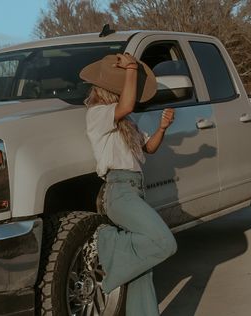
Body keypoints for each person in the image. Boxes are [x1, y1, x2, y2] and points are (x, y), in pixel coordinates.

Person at [80, 53, 178, 316]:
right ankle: (106, 241)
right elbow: (127, 105)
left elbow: (149, 148)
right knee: (164, 243)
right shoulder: (97, 114)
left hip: (135, 190)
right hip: (119, 191)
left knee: (141, 272)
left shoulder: (127, 124)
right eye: (124, 83)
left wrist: (163, 128)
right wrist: (133, 68)